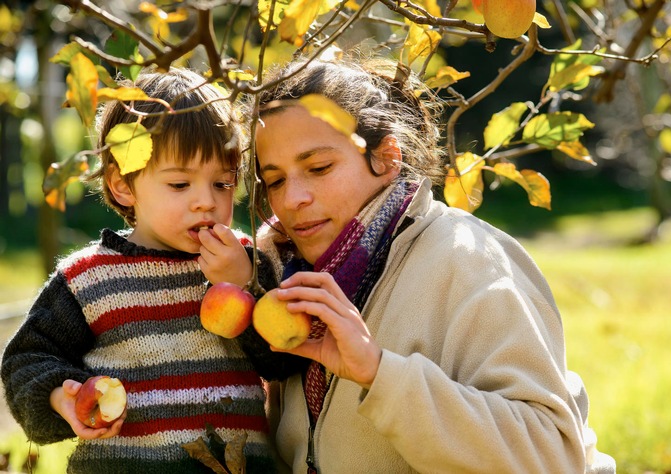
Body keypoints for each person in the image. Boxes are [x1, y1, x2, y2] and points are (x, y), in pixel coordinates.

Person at [238, 57, 617, 473]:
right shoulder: (282, 276)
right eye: (274, 180)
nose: (292, 200)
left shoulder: (470, 259)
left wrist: (378, 371)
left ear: (386, 157)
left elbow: (549, 455)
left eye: (319, 168)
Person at [0, 68, 279, 473]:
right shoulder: (90, 279)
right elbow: (27, 360)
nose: (206, 201)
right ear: (123, 186)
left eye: (221, 183)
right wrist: (63, 397)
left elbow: (284, 361)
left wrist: (243, 287)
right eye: (180, 185)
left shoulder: (247, 261)